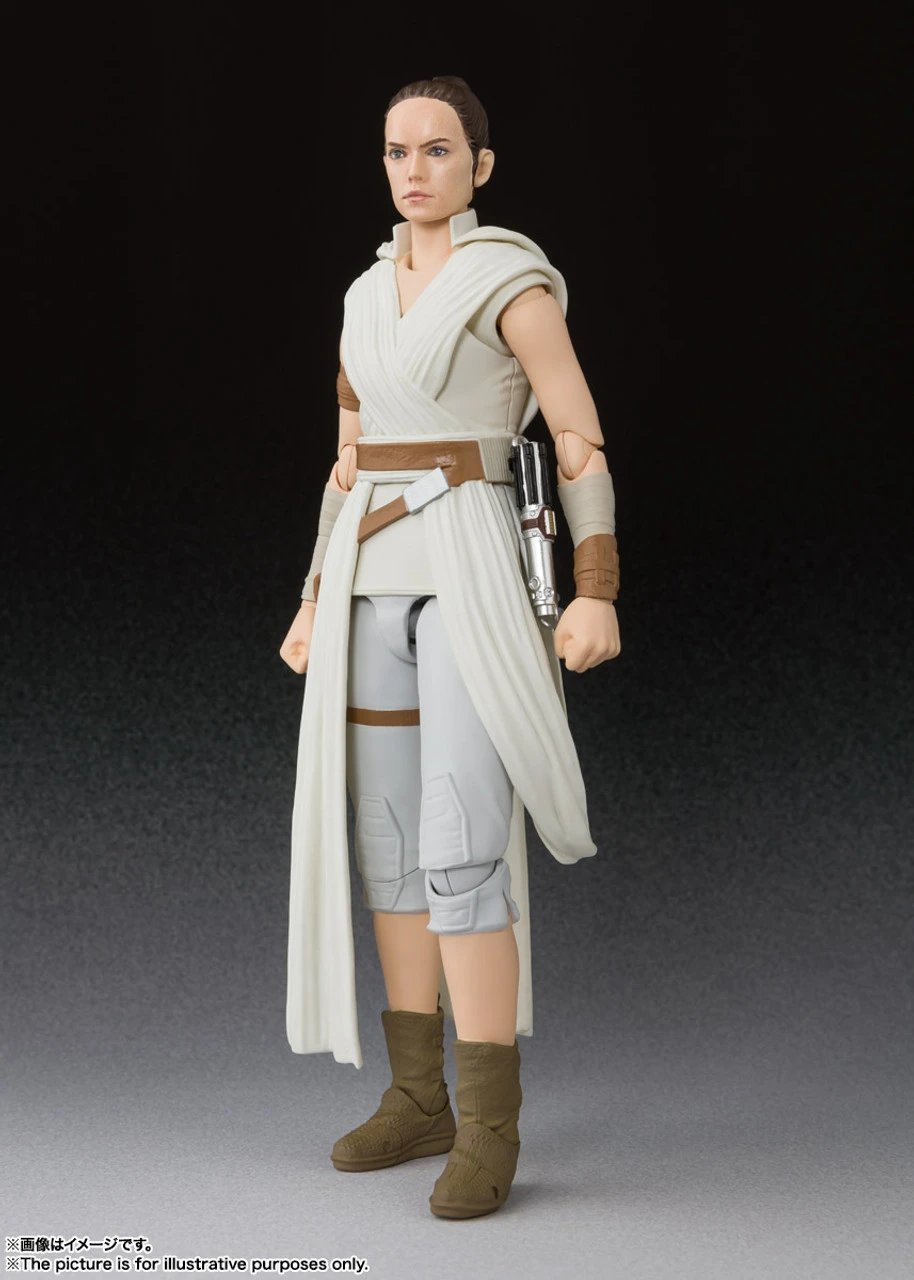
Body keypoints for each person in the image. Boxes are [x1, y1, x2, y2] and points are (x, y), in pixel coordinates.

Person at [279, 75, 621, 1219]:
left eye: (436, 149)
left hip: (468, 570)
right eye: (395, 150)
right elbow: (346, 461)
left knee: (462, 849)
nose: (413, 169)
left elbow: (575, 440)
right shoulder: (361, 298)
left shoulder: (507, 282)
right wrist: (312, 594)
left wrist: (594, 587)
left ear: (478, 164)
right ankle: (417, 1093)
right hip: (369, 579)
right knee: (387, 848)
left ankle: (487, 1124)